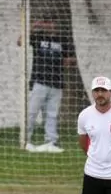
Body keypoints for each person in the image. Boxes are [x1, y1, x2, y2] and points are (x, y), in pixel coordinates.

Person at [18, 19, 76, 153]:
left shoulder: (63, 39)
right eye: (45, 22)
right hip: (39, 81)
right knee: (32, 112)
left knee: (52, 113)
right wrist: (32, 26)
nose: (47, 25)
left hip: (56, 82)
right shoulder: (38, 36)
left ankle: (51, 141)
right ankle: (26, 140)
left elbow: (72, 58)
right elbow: (20, 41)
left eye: (50, 22)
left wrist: (63, 61)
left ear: (55, 24)